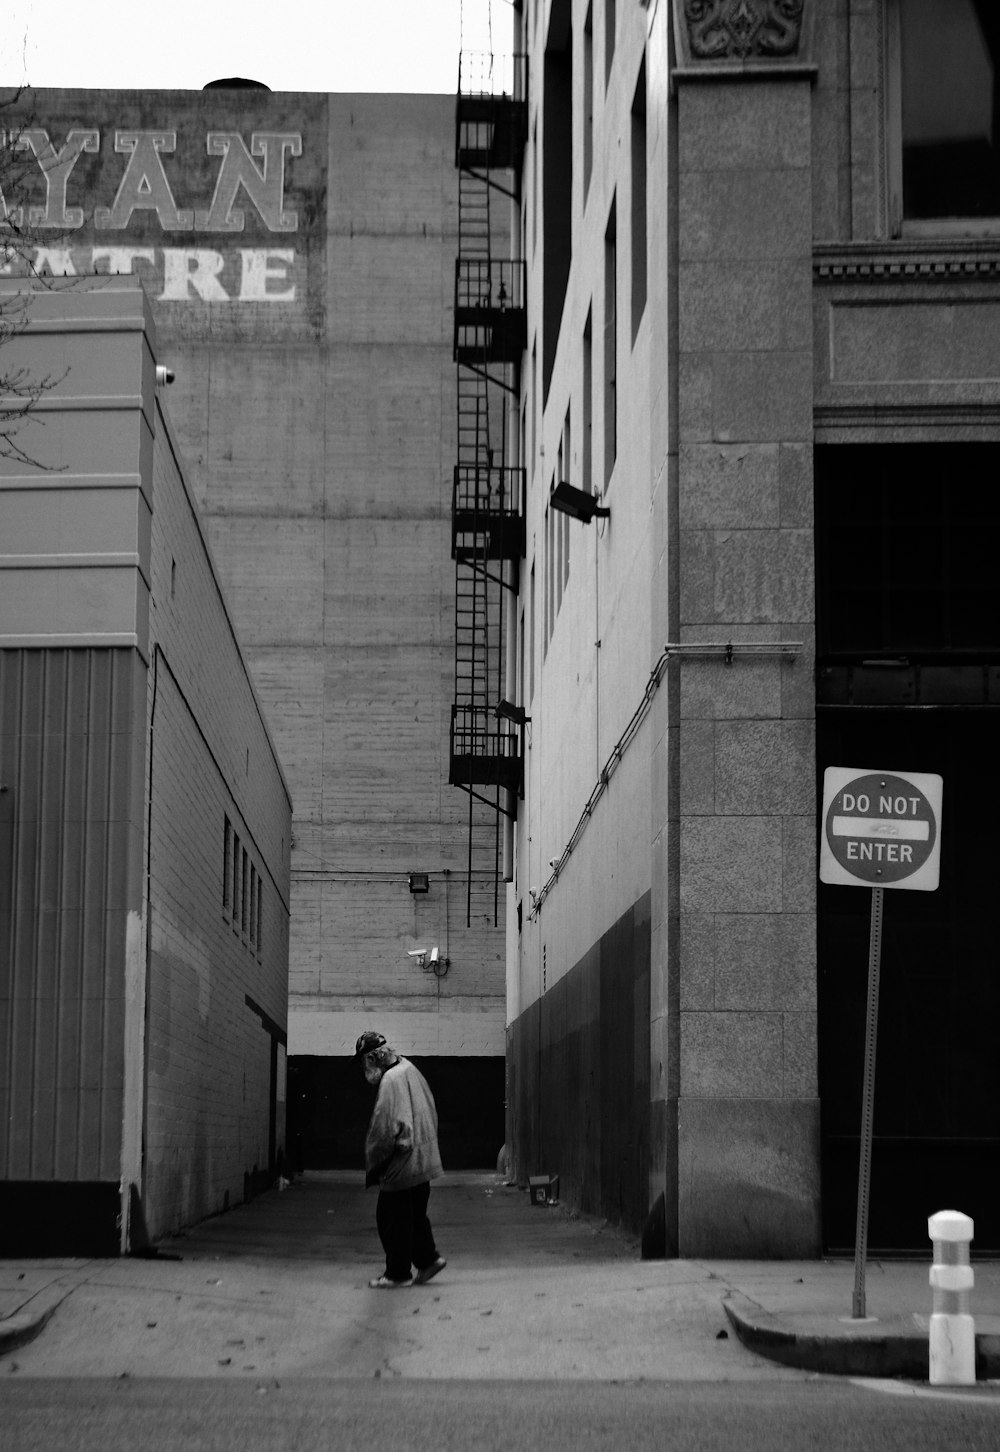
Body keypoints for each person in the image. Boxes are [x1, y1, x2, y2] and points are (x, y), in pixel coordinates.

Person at [355, 1030, 447, 1289]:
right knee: (414, 1215)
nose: (364, 1069)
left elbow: (383, 1130)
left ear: (373, 1058)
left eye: (364, 1062)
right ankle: (429, 1260)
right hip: (424, 1156)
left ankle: (397, 1273)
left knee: (390, 1217)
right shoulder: (410, 1069)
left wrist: (375, 1164)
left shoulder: (390, 1081)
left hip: (403, 1161)